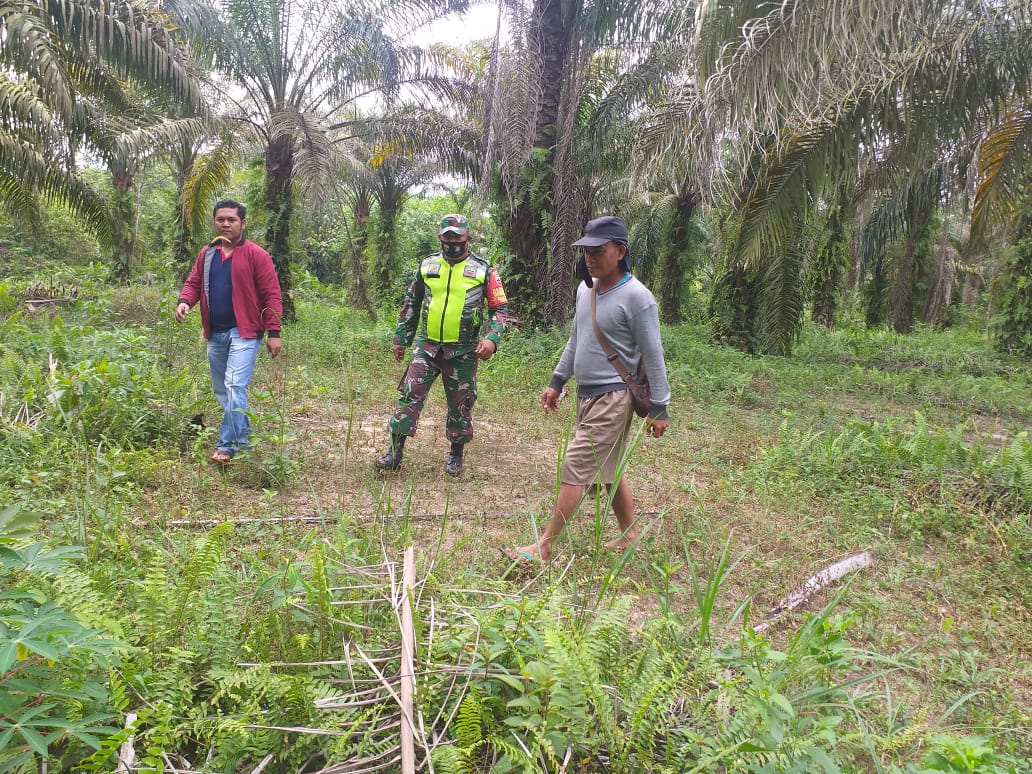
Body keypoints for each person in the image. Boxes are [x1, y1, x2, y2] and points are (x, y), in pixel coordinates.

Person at [506, 215, 670, 562]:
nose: (590, 258)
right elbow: (576, 339)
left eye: (598, 251)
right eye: (586, 252)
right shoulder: (586, 289)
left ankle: (545, 545)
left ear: (620, 251)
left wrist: (660, 407)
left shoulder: (638, 298)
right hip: (586, 394)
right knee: (609, 469)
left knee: (576, 466)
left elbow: (654, 355)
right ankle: (630, 536)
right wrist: (556, 381)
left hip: (614, 396)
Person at [375, 214, 509, 476]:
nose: (452, 242)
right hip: (427, 346)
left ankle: (455, 455)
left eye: (457, 237)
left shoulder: (484, 271)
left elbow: (499, 309)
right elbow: (411, 304)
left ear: (468, 238)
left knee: (460, 403)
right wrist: (401, 337)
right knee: (408, 394)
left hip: (463, 349)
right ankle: (395, 451)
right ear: (440, 237)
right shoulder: (427, 266)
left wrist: (492, 339)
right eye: (447, 237)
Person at [175, 199, 283, 464]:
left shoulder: (257, 255)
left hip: (245, 332)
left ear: (243, 223)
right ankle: (244, 440)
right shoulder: (208, 253)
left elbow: (272, 294)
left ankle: (226, 446)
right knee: (222, 389)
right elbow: (194, 283)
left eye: (231, 220)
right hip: (216, 333)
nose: (225, 224)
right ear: (214, 222)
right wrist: (185, 301)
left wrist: (274, 332)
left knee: (235, 385)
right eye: (220, 219)